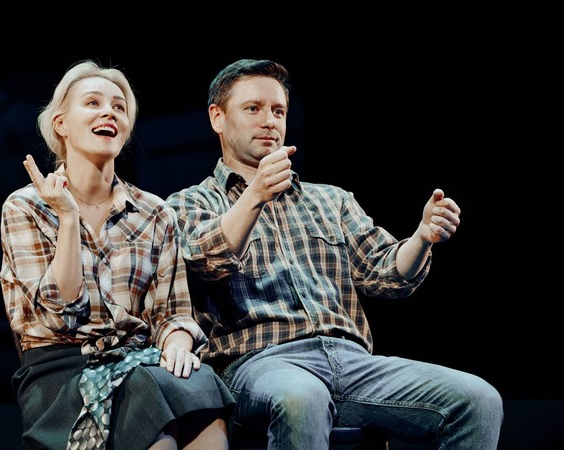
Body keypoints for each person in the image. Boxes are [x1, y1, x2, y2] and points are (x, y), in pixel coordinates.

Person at [166, 59, 504, 449]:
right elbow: (207, 262)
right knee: (302, 396)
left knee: (478, 400)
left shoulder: (331, 200)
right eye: (253, 109)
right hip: (259, 364)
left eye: (279, 111)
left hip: (352, 362)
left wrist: (422, 237)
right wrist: (255, 195)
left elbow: (385, 273)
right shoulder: (189, 203)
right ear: (218, 118)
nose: (269, 121)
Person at [0, 60, 234, 450]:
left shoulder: (155, 212)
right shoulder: (25, 207)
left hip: (137, 359)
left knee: (202, 389)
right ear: (61, 124)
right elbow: (60, 312)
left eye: (119, 107)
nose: (109, 112)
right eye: (93, 103)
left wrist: (177, 341)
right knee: (150, 406)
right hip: (60, 369)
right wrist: (68, 218)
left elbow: (170, 311)